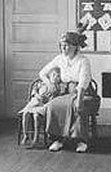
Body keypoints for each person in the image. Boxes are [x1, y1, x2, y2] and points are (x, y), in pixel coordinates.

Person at [40, 23, 93, 153]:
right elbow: (42, 73)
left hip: (83, 92)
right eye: (62, 45)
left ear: (75, 46)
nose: (64, 48)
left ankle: (81, 141)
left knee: (76, 106)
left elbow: (83, 83)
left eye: (67, 45)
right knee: (52, 105)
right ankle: (58, 139)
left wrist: (79, 99)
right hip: (65, 92)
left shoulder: (83, 60)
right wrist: (49, 84)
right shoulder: (59, 59)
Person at [18, 66, 66, 146]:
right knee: (26, 114)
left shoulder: (58, 88)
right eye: (53, 75)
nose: (55, 78)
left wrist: (48, 98)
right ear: (49, 76)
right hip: (36, 102)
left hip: (44, 106)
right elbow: (34, 90)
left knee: (36, 116)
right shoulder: (42, 83)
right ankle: (26, 135)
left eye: (58, 76)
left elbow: (56, 101)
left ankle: (36, 138)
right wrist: (37, 95)